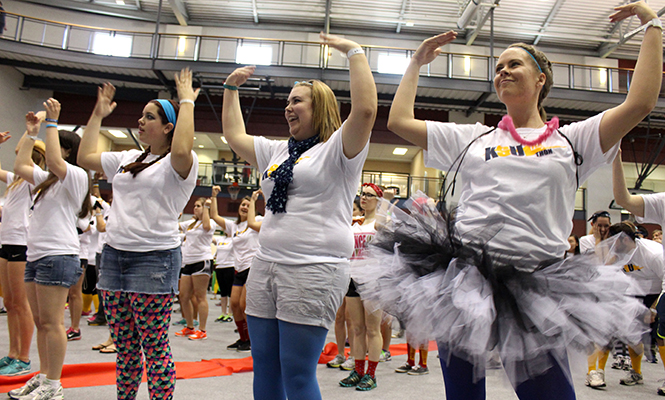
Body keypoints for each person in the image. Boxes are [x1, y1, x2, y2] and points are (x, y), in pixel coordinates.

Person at [353, 2, 661, 399]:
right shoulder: (474, 138)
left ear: (540, 80)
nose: (503, 71)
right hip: (465, 284)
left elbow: (640, 103)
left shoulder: (573, 140)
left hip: (538, 287)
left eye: (514, 64)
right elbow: (398, 121)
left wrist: (652, 24)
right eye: (498, 67)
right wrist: (415, 62)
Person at [222, 31, 376, 399]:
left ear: (319, 106)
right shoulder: (276, 150)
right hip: (266, 265)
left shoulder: (339, 149)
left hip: (314, 268)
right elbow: (232, 134)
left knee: (297, 372)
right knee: (265, 366)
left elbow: (366, 110)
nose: (288, 107)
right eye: (288, 101)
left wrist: (353, 51)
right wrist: (230, 89)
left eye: (298, 101)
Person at [77, 68, 199, 400]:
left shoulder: (179, 164)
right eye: (142, 116)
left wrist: (186, 99)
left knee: (154, 346)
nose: (141, 121)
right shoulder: (128, 157)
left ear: (168, 127)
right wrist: (97, 115)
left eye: (150, 117)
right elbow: (85, 156)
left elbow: (183, 146)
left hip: (155, 260)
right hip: (115, 257)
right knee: (125, 348)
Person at [9, 102, 92, 400]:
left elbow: (55, 161)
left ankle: (53, 384)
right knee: (40, 321)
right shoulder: (46, 182)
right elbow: (20, 166)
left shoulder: (77, 178)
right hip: (37, 256)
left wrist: (53, 122)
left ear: (67, 152)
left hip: (58, 255)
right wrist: (31, 133)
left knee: (53, 322)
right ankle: (44, 376)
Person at [613, 149, 665, 396]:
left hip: (657, 287)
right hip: (641, 291)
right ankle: (636, 371)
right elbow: (624, 199)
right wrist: (615, 158)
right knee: (643, 334)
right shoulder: (664, 201)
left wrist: (653, 307)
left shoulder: (652, 253)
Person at [0, 129, 45, 377]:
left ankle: (24, 357)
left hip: (21, 244)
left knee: (21, 303)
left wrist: (30, 132)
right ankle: (12, 353)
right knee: (9, 303)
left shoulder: (33, 181)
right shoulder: (14, 181)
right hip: (6, 243)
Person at [340, 183, 384, 390]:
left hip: (373, 279)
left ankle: (371, 375)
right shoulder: (354, 223)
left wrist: (387, 203)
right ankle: (358, 371)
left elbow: (388, 225)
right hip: (352, 277)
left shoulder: (380, 223)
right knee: (357, 328)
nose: (364, 198)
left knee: (373, 329)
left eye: (369, 195)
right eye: (362, 194)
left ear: (378, 199)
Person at [209, 186, 262, 352]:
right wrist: (214, 196)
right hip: (239, 269)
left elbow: (256, 224)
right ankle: (243, 338)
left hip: (252, 267)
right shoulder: (234, 226)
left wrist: (254, 201)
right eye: (242, 205)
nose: (244, 207)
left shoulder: (257, 221)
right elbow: (214, 216)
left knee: (244, 304)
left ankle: (254, 340)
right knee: (234, 304)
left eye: (247, 205)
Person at [175, 197, 219, 341]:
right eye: (194, 206)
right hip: (188, 262)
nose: (195, 208)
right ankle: (189, 326)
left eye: (198, 206)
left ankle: (202, 330)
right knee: (183, 296)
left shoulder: (210, 223)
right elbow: (175, 227)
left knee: (200, 296)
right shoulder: (190, 224)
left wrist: (207, 207)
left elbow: (206, 226)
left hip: (202, 261)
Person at [212, 233, 234, 322]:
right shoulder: (220, 239)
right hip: (219, 266)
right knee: (223, 292)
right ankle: (223, 313)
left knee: (230, 291)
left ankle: (230, 313)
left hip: (230, 266)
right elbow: (210, 237)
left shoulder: (233, 239)